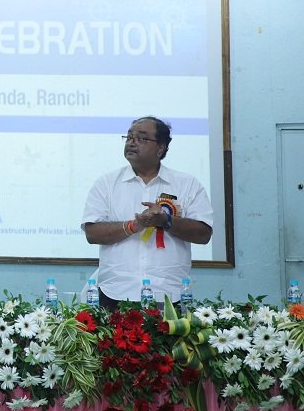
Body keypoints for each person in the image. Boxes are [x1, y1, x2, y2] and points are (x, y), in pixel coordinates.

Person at [81, 116, 213, 309]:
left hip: (169, 293)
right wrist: (134, 226)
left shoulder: (188, 184)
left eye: (141, 138)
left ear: (161, 148)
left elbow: (203, 234)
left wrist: (166, 220)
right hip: (116, 292)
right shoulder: (107, 184)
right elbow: (92, 233)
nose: (132, 142)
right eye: (128, 137)